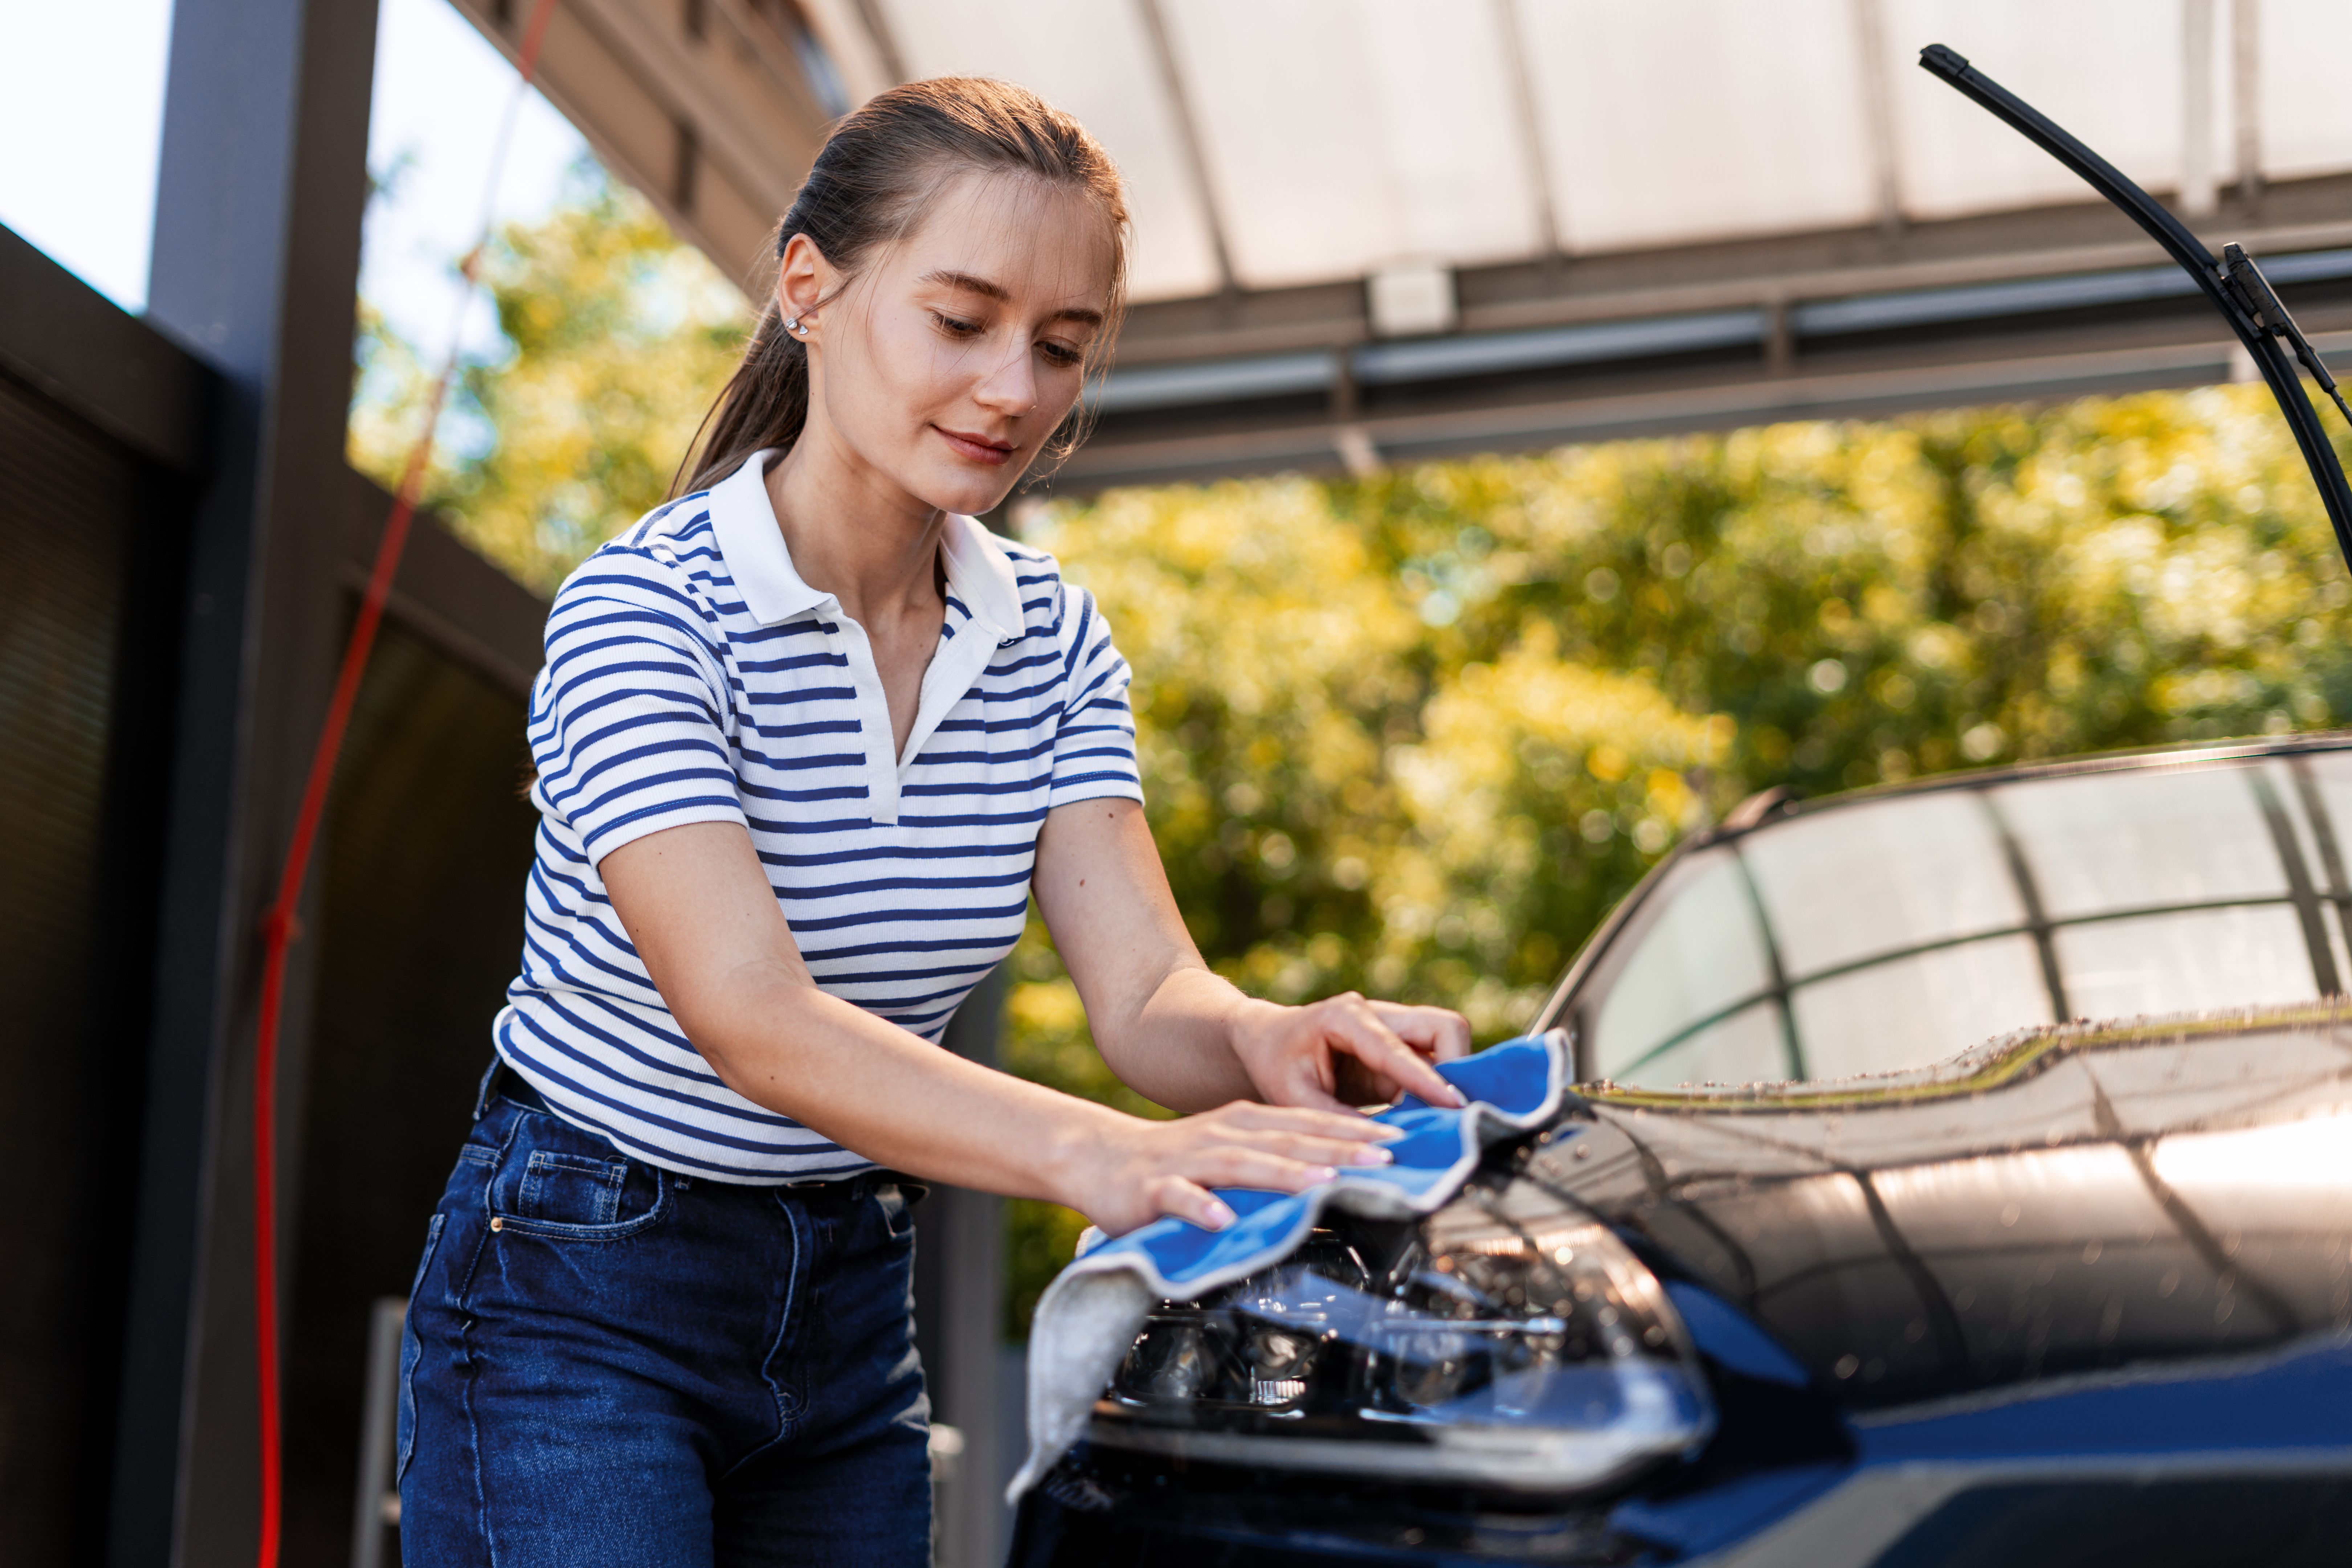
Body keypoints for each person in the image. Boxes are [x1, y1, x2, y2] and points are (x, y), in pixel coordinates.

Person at [396, 77, 1471, 1566]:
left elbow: (1150, 993)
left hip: (845, 1303)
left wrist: (1265, 1043)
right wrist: (1097, 1157)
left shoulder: (1048, 637)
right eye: (961, 321)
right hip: (579, 1291)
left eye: (1061, 345)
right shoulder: (646, 616)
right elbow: (754, 1019)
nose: (1015, 389)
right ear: (810, 289)